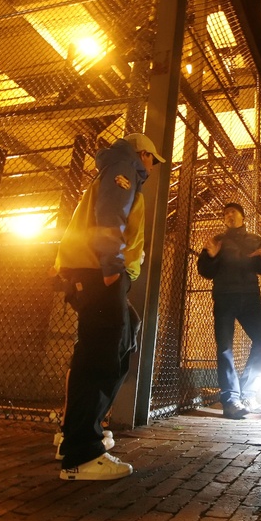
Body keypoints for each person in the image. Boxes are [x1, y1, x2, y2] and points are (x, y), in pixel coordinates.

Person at [52, 132, 165, 481]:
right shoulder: (124, 167)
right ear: (143, 153)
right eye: (152, 159)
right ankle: (81, 453)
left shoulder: (118, 167)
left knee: (121, 337)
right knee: (102, 352)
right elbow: (110, 214)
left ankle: (77, 435)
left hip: (92, 269)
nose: (152, 166)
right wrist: (113, 267)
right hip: (98, 270)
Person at [197, 202, 261, 419]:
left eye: (233, 212)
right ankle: (230, 400)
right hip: (225, 297)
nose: (229, 215)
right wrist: (211, 256)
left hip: (250, 298)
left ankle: (248, 393)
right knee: (225, 348)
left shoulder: (255, 239)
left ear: (242, 216)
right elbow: (205, 271)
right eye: (226, 213)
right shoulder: (217, 240)